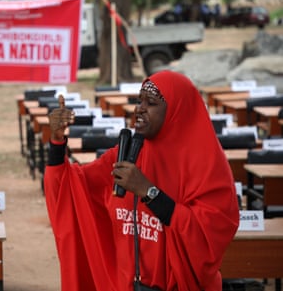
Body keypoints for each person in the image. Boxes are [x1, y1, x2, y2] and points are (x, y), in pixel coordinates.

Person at [44, 70, 239, 291]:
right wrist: (57, 143)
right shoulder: (128, 153)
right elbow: (69, 189)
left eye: (152, 103)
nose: (140, 109)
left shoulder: (206, 164)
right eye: (140, 101)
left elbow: (210, 234)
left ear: (177, 111)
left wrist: (149, 192)